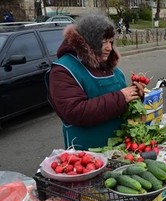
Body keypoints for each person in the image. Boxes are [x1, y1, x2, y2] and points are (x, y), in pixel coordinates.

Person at [47, 14, 144, 150]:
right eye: (103, 41)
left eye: (110, 41)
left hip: (119, 148)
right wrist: (121, 98)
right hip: (86, 155)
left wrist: (135, 95)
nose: (109, 48)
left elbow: (122, 102)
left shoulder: (110, 67)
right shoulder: (63, 70)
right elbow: (76, 112)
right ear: (88, 41)